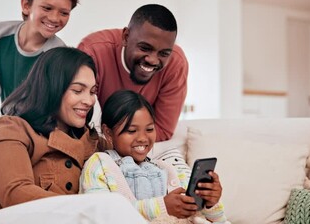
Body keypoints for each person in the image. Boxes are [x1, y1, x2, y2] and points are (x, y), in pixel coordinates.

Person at [0, 47, 147, 224]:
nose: (89, 101)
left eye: (92, 91)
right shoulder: (11, 129)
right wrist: (91, 206)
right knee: (113, 204)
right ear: (51, 88)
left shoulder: (93, 143)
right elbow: (15, 194)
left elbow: (133, 165)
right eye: (78, 90)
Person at [80, 90, 229, 224]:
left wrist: (210, 203)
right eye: (132, 131)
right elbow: (101, 215)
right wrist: (162, 207)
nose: (143, 138)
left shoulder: (168, 168)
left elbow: (217, 221)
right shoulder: (100, 164)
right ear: (108, 132)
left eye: (150, 129)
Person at [0, 0, 79, 143]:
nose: (54, 18)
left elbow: (51, 115)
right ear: (26, 5)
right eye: (47, 8)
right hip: (2, 132)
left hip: (37, 139)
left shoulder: (58, 55)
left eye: (64, 12)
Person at [77, 4, 189, 142]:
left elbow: (163, 129)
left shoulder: (176, 63)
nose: (153, 60)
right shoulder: (92, 52)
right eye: (145, 48)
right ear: (125, 37)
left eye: (164, 53)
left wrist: (124, 145)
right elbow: (80, 121)